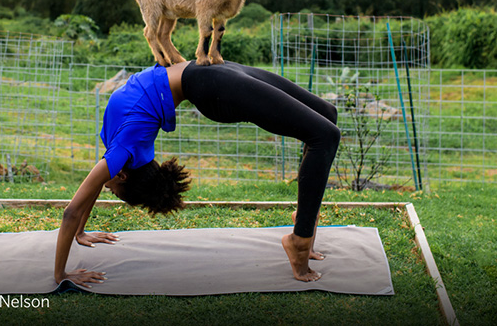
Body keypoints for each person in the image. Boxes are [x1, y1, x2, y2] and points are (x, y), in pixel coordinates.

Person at [53, 60, 340, 287]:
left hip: (208, 74)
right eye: (111, 189)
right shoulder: (124, 152)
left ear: (123, 176)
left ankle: (302, 217)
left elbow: (72, 211)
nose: (106, 187)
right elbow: (85, 198)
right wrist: (79, 234)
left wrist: (61, 272)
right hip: (209, 84)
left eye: (111, 190)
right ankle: (300, 241)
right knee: (325, 136)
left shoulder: (120, 153)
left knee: (327, 114)